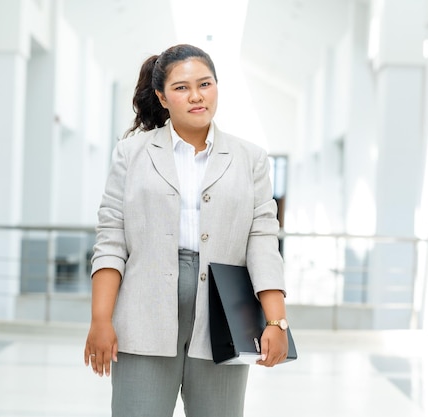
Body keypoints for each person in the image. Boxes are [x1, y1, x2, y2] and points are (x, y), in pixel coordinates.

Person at [83, 43, 289, 417]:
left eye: (205, 84)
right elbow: (111, 238)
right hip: (142, 313)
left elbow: (261, 240)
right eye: (181, 87)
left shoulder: (251, 158)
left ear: (216, 86)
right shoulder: (132, 153)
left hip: (225, 313)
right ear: (162, 96)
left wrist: (276, 320)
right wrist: (100, 319)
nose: (196, 96)